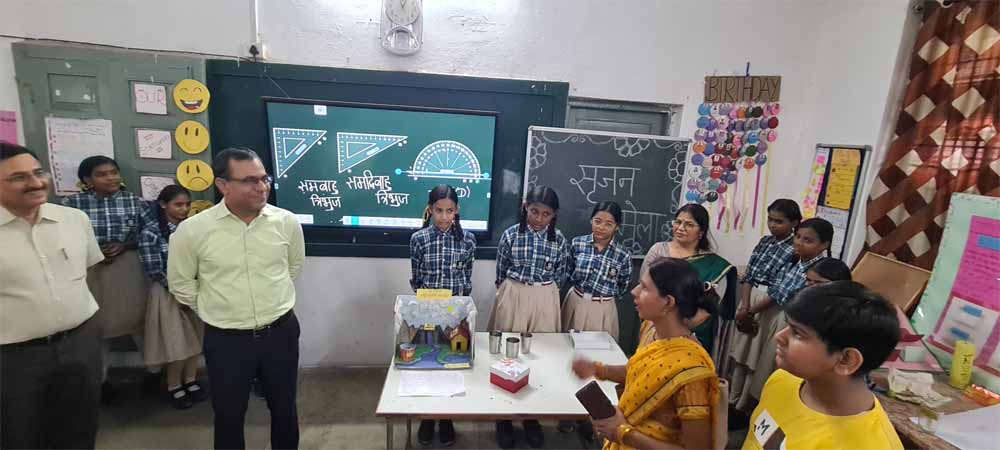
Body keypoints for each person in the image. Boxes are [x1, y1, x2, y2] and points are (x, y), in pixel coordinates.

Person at [168, 148, 305, 450]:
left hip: (280, 333)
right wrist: (216, 308)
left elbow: (292, 267)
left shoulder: (286, 222)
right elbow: (181, 283)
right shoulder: (193, 231)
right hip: (226, 340)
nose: (261, 187)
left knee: (284, 408)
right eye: (250, 181)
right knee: (229, 415)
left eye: (264, 178)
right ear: (222, 185)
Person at [0, 143, 105, 449]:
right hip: (13, 358)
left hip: (81, 344)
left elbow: (88, 274)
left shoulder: (74, 220)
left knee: (79, 430)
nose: (35, 183)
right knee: (18, 435)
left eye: (38, 172)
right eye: (19, 177)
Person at [572, 257, 720, 449]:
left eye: (644, 288)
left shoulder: (692, 373)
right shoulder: (651, 331)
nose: (634, 292)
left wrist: (624, 433)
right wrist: (597, 369)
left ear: (668, 302)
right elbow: (640, 371)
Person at [741, 281, 903, 449]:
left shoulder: (867, 445)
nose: (779, 336)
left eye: (798, 333)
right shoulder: (783, 380)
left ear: (846, 360)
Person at [62, 155, 155, 402]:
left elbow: (151, 233)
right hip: (91, 271)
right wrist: (92, 250)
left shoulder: (134, 202)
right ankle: (101, 382)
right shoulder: (72, 205)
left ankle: (154, 373)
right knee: (96, 327)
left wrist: (125, 245)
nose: (111, 178)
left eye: (114, 172)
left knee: (140, 321)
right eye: (102, 174)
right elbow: (63, 240)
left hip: (128, 269)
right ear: (87, 180)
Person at [490, 185, 570, 449]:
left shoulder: (559, 240)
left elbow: (561, 273)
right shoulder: (511, 234)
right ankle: (503, 417)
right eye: (534, 211)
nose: (538, 218)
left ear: (553, 215)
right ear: (525, 207)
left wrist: (544, 295)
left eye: (546, 214)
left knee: (540, 354)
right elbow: (501, 271)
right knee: (508, 354)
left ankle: (532, 417)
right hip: (514, 293)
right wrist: (511, 292)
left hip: (545, 296)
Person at [730, 217, 834, 414]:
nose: (799, 242)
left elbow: (782, 295)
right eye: (798, 237)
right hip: (776, 314)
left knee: (769, 367)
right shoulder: (795, 259)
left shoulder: (819, 270)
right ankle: (742, 407)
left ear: (824, 245)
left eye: (808, 240)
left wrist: (750, 311)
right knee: (756, 361)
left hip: (790, 321)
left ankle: (755, 410)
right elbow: (775, 288)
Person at [408, 185, 476, 447]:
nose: (444, 216)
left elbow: (467, 278)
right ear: (430, 210)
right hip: (427, 312)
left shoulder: (468, 239)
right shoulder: (419, 239)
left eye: (449, 211)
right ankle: (427, 417)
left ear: (457, 210)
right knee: (428, 364)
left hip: (455, 314)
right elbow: (417, 278)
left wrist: (459, 312)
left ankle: (446, 417)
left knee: (451, 365)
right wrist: (427, 305)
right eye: (439, 210)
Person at [639, 203, 737, 365]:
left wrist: (674, 331)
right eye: (678, 222)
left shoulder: (715, 267)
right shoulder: (658, 251)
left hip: (692, 337)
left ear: (701, 232)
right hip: (654, 329)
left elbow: (707, 309)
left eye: (689, 224)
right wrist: (658, 327)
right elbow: (644, 289)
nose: (681, 228)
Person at [138, 185, 207, 410]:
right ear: (163, 204)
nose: (184, 209)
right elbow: (154, 269)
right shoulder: (151, 233)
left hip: (196, 290)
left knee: (196, 340)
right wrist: (179, 293)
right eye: (178, 205)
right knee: (177, 343)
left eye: (187, 204)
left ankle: (191, 380)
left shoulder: (192, 229)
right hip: (168, 294)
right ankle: (174, 385)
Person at [728, 199, 800, 412]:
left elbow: (779, 290)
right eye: (770, 220)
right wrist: (744, 307)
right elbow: (748, 276)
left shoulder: (795, 249)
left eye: (779, 221)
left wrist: (751, 311)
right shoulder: (765, 242)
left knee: (756, 357)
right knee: (741, 352)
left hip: (769, 305)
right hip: (750, 298)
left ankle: (744, 405)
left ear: (794, 223)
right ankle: (732, 399)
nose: (773, 225)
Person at [562, 201, 632, 342]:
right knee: (568, 344)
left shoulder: (622, 254)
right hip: (577, 301)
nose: (601, 227)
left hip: (603, 307)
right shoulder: (577, 243)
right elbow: (567, 271)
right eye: (597, 221)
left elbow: (623, 285)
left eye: (608, 224)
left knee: (599, 349)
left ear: (617, 227)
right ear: (591, 220)